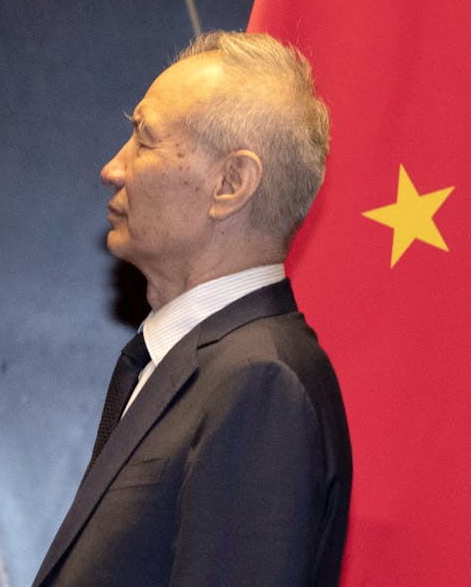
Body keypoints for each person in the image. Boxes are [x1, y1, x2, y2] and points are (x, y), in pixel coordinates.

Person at [33, 30, 352, 587]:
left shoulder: (260, 384)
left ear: (231, 183)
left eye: (144, 139)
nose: (113, 167)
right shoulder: (203, 364)